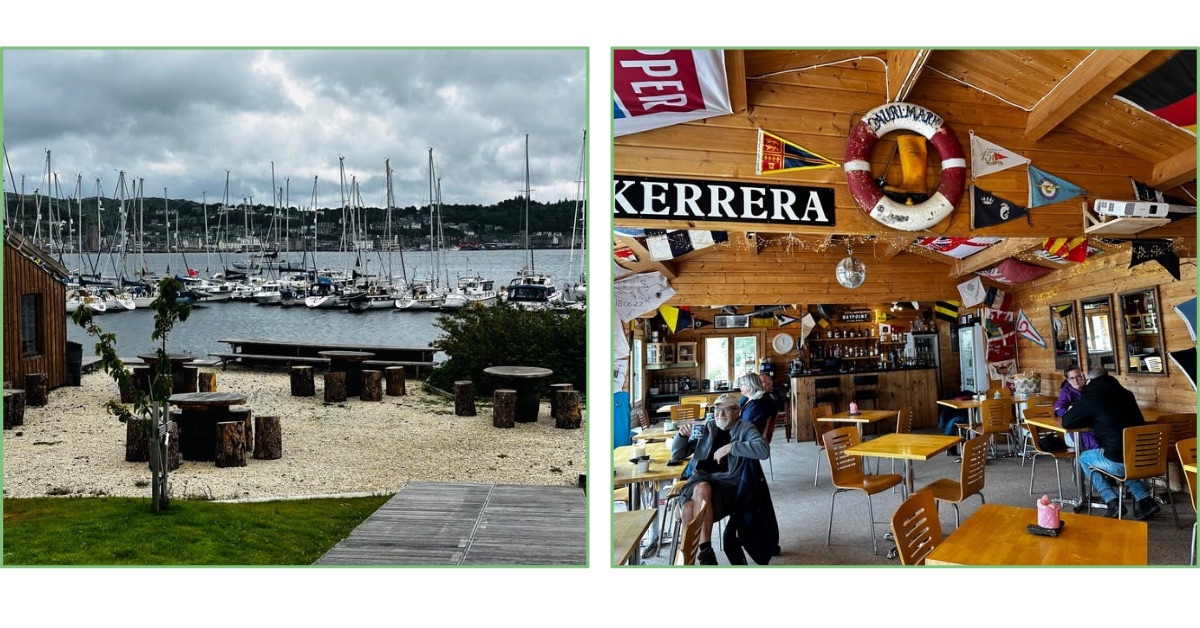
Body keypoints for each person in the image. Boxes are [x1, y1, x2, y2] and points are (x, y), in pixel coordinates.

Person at [678, 394, 773, 564]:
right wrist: (682, 436)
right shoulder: (707, 427)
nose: (720, 414)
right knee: (693, 500)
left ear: (737, 412)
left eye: (726, 410)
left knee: (691, 504)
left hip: (726, 486)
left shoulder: (745, 428)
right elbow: (677, 455)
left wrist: (732, 447)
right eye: (717, 409)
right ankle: (704, 553)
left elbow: (763, 450)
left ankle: (695, 557)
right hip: (698, 480)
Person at [1062, 366, 1158, 520]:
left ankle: (1112, 502)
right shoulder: (1127, 394)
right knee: (1122, 456)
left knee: (1085, 457)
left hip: (1119, 460)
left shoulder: (1092, 396)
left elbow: (1067, 422)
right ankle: (1145, 499)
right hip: (1141, 456)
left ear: (1090, 380)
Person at [1053, 365, 1098, 452]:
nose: (1076, 380)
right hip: (1076, 428)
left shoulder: (1090, 389)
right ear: (1068, 381)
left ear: (1083, 376)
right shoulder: (1066, 392)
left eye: (1078, 377)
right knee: (1094, 442)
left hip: (1093, 424)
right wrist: (1068, 411)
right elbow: (1058, 409)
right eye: (1072, 378)